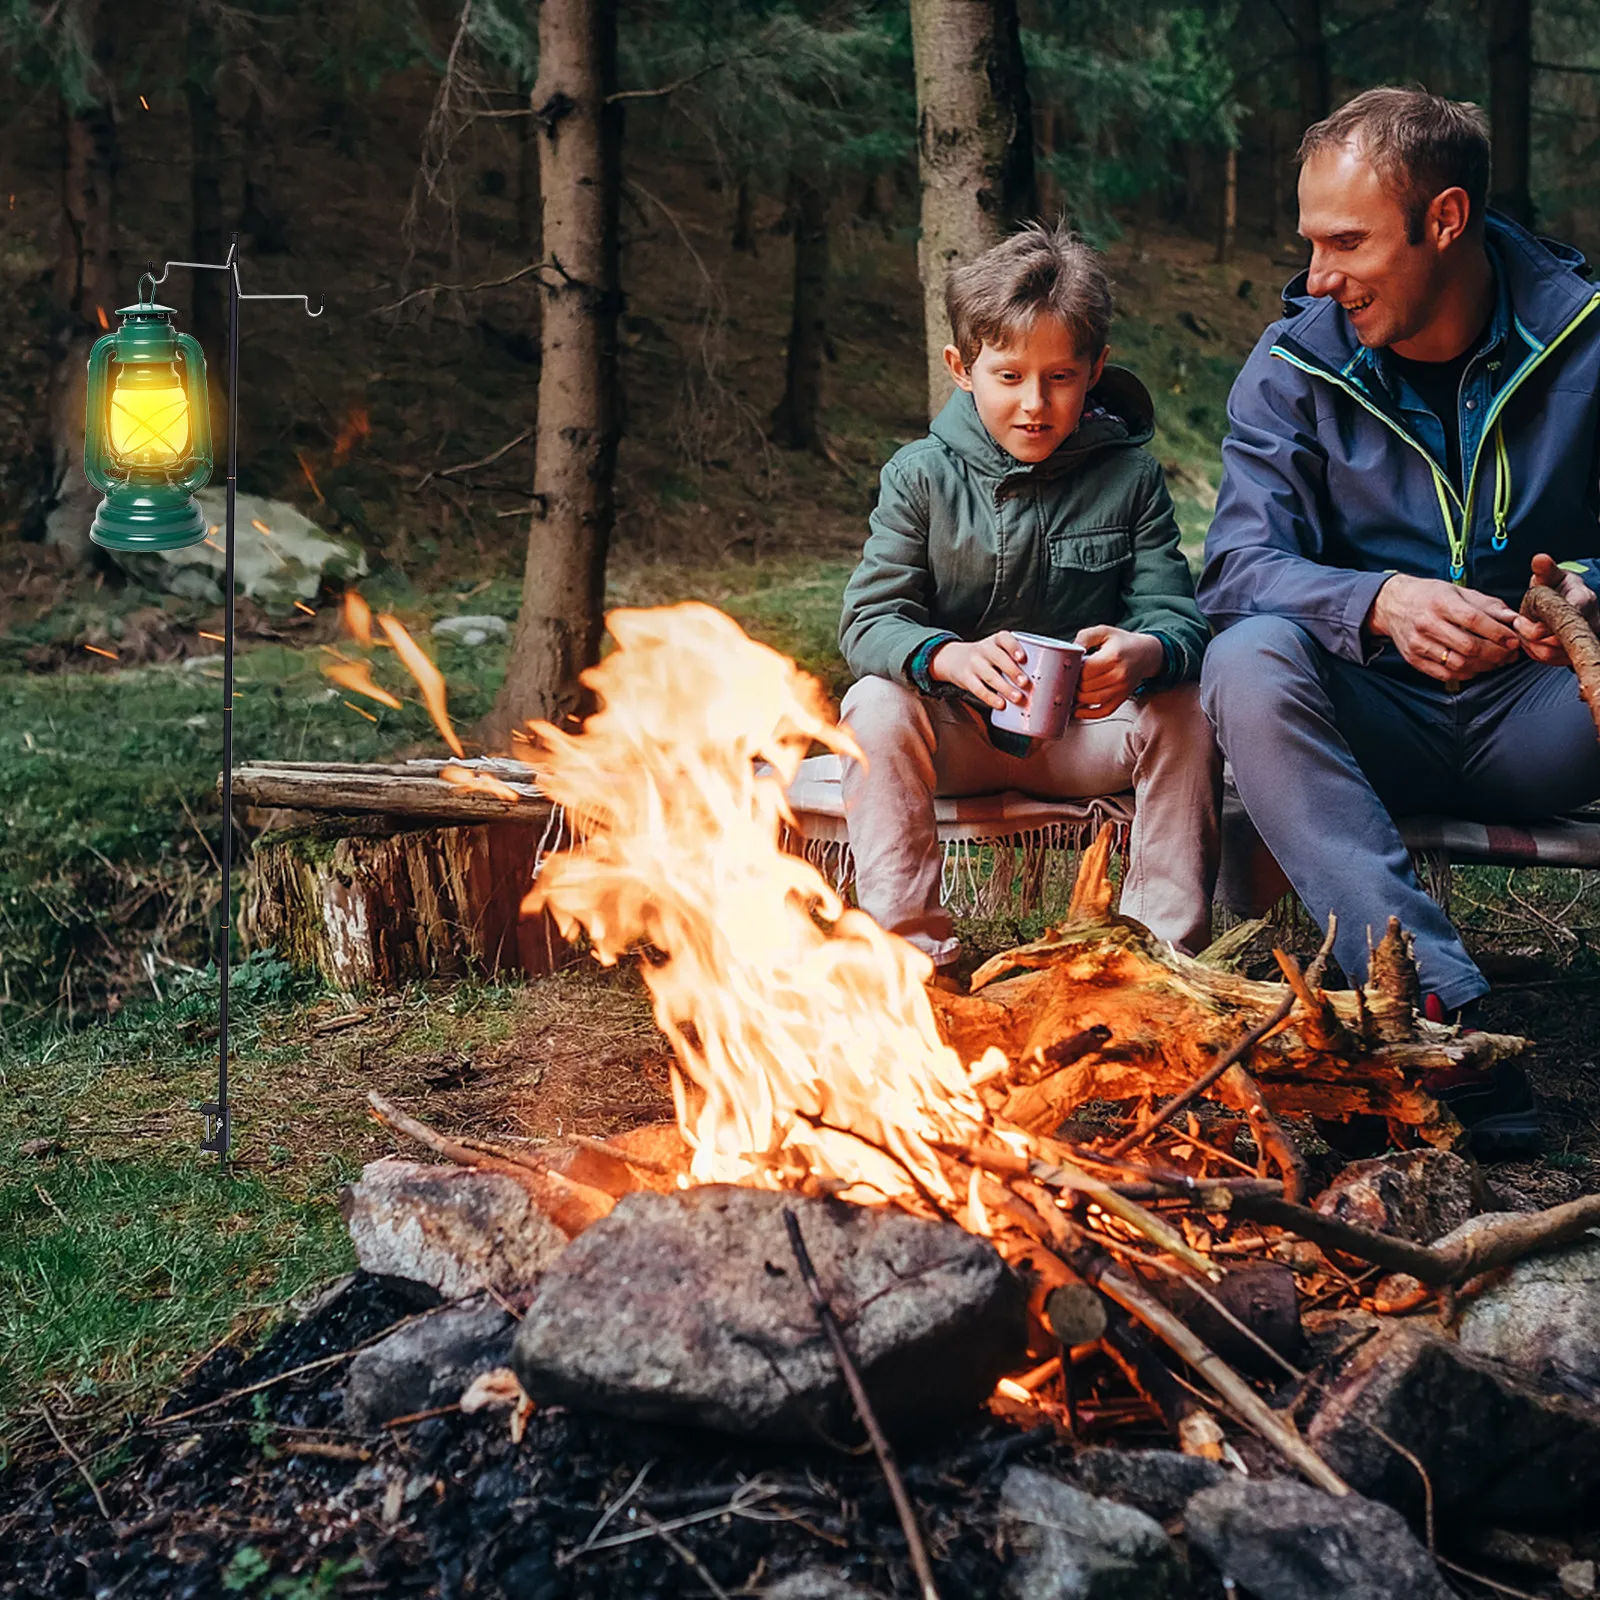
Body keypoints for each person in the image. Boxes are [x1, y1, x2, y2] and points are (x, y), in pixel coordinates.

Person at [1200, 87, 1600, 1154]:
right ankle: (1435, 1015)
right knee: (1245, 655)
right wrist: (1373, 601)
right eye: (1310, 242)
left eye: (1344, 242)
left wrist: (1582, 595)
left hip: (1542, 716)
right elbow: (1233, 570)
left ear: (1444, 221)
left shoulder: (1585, 340)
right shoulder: (1293, 368)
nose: (1317, 275)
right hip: (1362, 728)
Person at [837, 222, 1220, 979]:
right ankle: (912, 960)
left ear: (1096, 369)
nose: (1035, 405)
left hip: (1086, 738)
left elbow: (1178, 618)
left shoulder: (1129, 478)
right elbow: (867, 621)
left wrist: (1145, 652)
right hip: (959, 739)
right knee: (874, 704)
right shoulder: (919, 476)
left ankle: (1159, 962)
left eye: (1061, 378)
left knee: (1187, 706)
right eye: (1008, 376)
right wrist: (946, 657)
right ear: (961, 367)